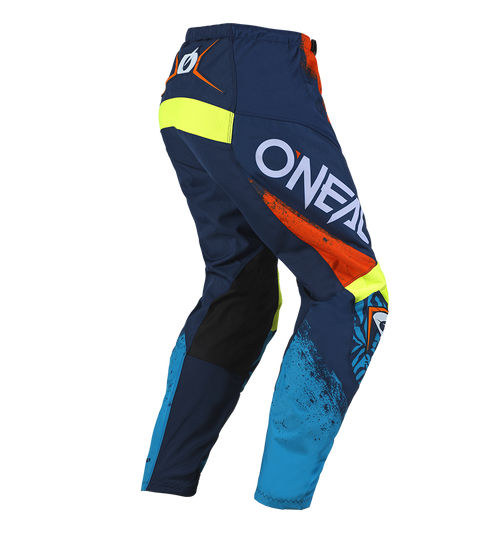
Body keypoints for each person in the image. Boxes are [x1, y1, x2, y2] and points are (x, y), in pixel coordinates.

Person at [139, 21, 391, 513]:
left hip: (189, 79)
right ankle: (282, 503)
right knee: (356, 291)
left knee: (240, 287)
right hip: (259, 79)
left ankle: (165, 484)